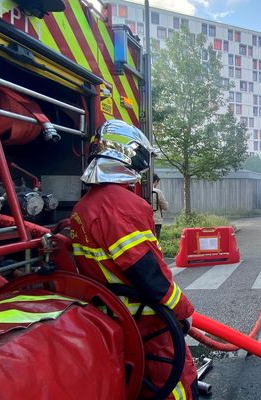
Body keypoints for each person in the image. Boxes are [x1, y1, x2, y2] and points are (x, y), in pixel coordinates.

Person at [70, 119, 198, 400]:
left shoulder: (83, 207)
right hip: (148, 319)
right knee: (176, 382)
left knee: (134, 378)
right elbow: (147, 271)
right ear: (128, 156)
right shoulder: (124, 205)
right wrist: (181, 312)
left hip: (109, 317)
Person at [152, 173, 168, 239]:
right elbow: (165, 207)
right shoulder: (157, 192)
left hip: (144, 221)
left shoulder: (142, 191)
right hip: (156, 220)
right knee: (156, 241)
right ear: (155, 181)